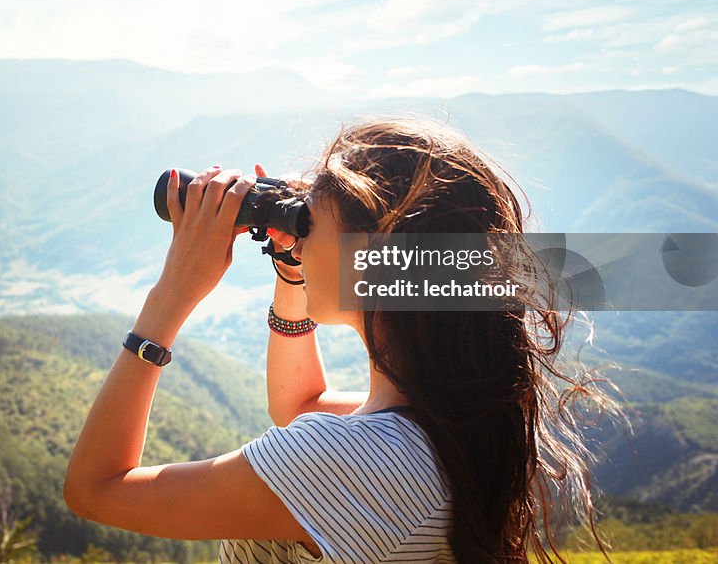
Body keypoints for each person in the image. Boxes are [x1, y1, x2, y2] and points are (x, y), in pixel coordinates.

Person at [63, 117, 613, 563]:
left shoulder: (352, 460)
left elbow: (96, 488)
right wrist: (291, 275)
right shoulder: (464, 412)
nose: (300, 240)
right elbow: (298, 408)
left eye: (309, 225)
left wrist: (172, 294)